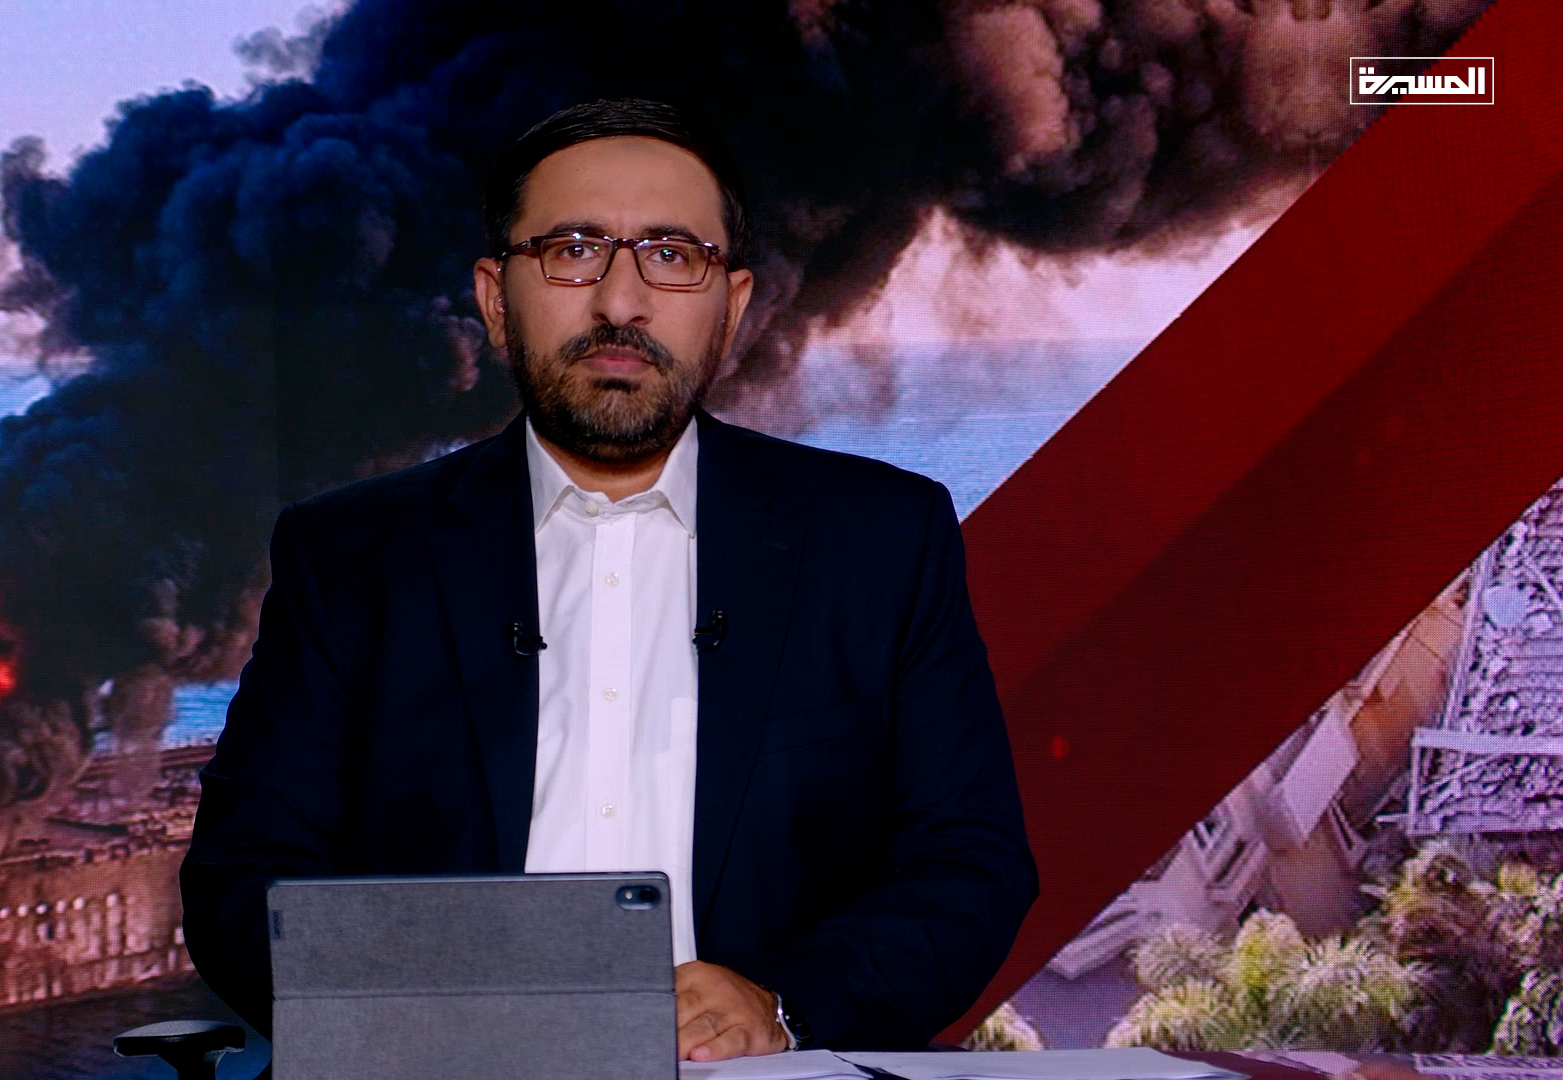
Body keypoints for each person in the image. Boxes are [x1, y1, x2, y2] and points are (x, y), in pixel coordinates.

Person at [180, 98, 1038, 1062]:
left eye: (672, 254)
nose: (621, 302)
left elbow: (969, 865)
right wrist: (458, 1014)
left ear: (734, 305)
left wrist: (781, 1006)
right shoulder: (348, 557)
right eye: (574, 249)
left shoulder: (881, 539)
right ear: (495, 298)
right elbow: (241, 879)